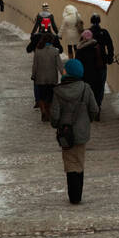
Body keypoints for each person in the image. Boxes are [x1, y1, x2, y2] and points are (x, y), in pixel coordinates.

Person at [50, 58, 99, 204]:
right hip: (82, 132)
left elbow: (54, 115)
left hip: (66, 133)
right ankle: (78, 194)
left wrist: (57, 124)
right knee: (79, 161)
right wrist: (87, 121)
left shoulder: (58, 91)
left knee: (70, 162)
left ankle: (74, 196)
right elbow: (94, 109)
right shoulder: (85, 88)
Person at [31, 33, 63, 122]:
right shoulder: (55, 51)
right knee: (50, 96)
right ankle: (48, 112)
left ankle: (43, 111)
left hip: (40, 78)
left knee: (41, 96)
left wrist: (33, 75)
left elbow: (35, 65)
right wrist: (64, 75)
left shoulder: (38, 50)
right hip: (52, 78)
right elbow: (60, 66)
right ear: (51, 41)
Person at [75, 29, 105, 117]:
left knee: (86, 93)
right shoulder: (97, 47)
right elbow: (103, 59)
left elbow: (77, 62)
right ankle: (97, 109)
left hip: (84, 75)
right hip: (96, 74)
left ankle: (88, 111)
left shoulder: (80, 50)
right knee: (96, 92)